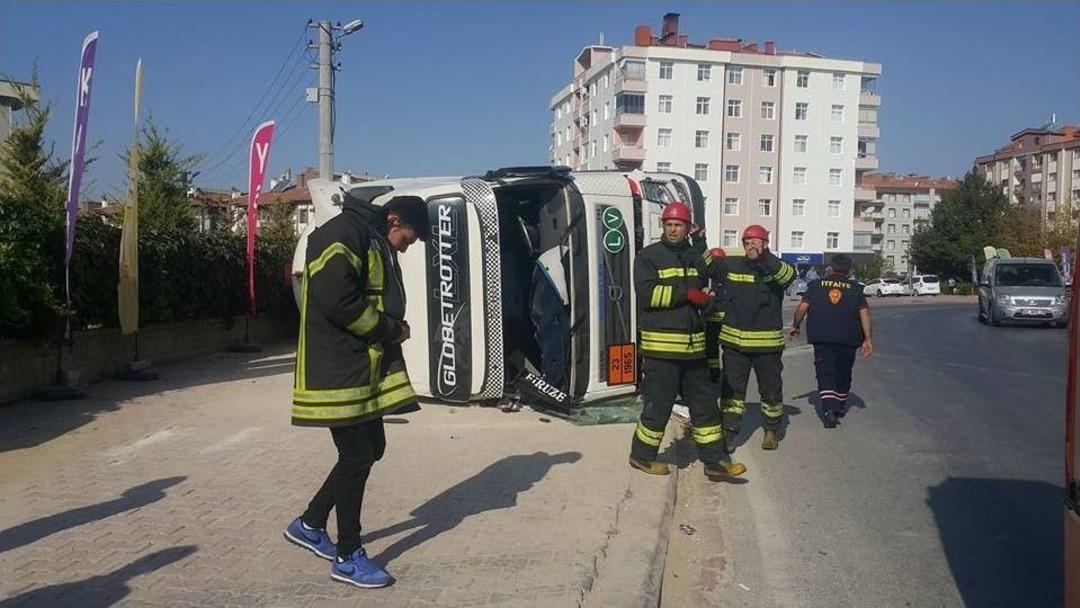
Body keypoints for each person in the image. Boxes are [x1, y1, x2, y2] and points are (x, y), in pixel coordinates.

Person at [285, 193, 430, 589]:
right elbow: (339, 300)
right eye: (409, 237)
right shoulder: (344, 233)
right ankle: (348, 556)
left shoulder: (369, 236)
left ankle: (310, 524)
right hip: (339, 370)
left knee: (371, 448)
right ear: (394, 219)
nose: (409, 246)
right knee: (358, 455)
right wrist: (389, 329)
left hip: (358, 367)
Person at [628, 201, 746, 480]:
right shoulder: (648, 256)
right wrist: (687, 294)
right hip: (662, 349)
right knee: (658, 406)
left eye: (678, 225)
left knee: (705, 406)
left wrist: (705, 299)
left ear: (687, 228)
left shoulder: (693, 255)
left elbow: (714, 275)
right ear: (663, 226)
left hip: (693, 349)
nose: (672, 229)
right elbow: (647, 295)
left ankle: (715, 460)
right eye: (668, 224)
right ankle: (641, 456)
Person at [707, 225, 796, 451]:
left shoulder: (776, 267)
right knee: (732, 392)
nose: (750, 246)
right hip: (735, 345)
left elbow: (788, 277)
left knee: (771, 390)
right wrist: (699, 240)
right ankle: (729, 433)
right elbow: (707, 265)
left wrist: (764, 257)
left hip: (767, 347)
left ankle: (771, 430)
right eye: (747, 243)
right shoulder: (734, 265)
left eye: (755, 242)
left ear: (765, 244)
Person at [789, 254, 874, 428]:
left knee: (825, 373)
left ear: (831, 268)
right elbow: (864, 313)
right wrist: (868, 339)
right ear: (848, 270)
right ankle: (840, 406)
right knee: (843, 372)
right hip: (848, 338)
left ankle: (829, 409)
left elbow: (802, 308)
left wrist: (795, 326)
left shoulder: (815, 286)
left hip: (822, 337)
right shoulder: (856, 289)